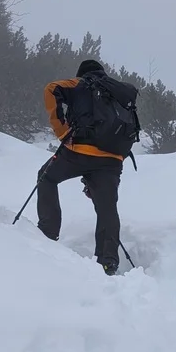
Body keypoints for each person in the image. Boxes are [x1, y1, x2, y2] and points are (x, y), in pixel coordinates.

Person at [36, 59, 140, 275]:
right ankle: (108, 261)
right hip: (112, 159)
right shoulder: (118, 92)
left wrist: (62, 131)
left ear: (82, 73)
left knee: (46, 177)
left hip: (78, 151)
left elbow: (51, 88)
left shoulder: (81, 83)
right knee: (107, 208)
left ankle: (47, 232)